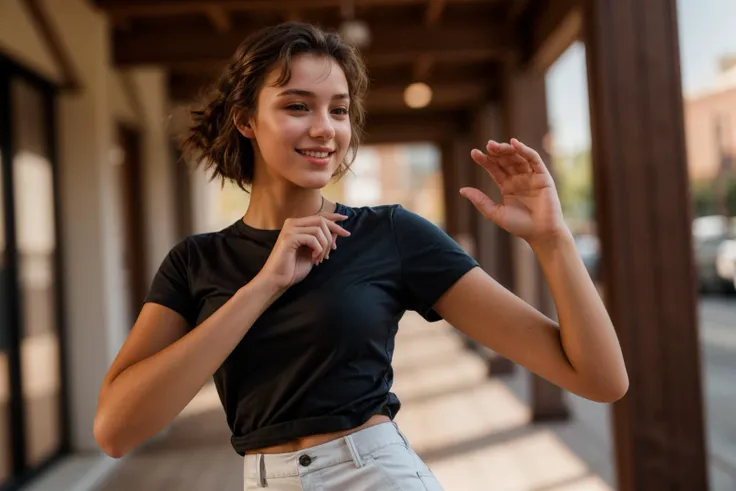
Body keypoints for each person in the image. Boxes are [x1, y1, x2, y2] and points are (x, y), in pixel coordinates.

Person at [93, 22, 628, 491]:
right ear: (246, 120)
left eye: (340, 110)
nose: (326, 128)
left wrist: (551, 240)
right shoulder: (195, 262)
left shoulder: (389, 234)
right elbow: (116, 430)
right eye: (298, 105)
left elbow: (599, 379)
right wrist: (262, 287)